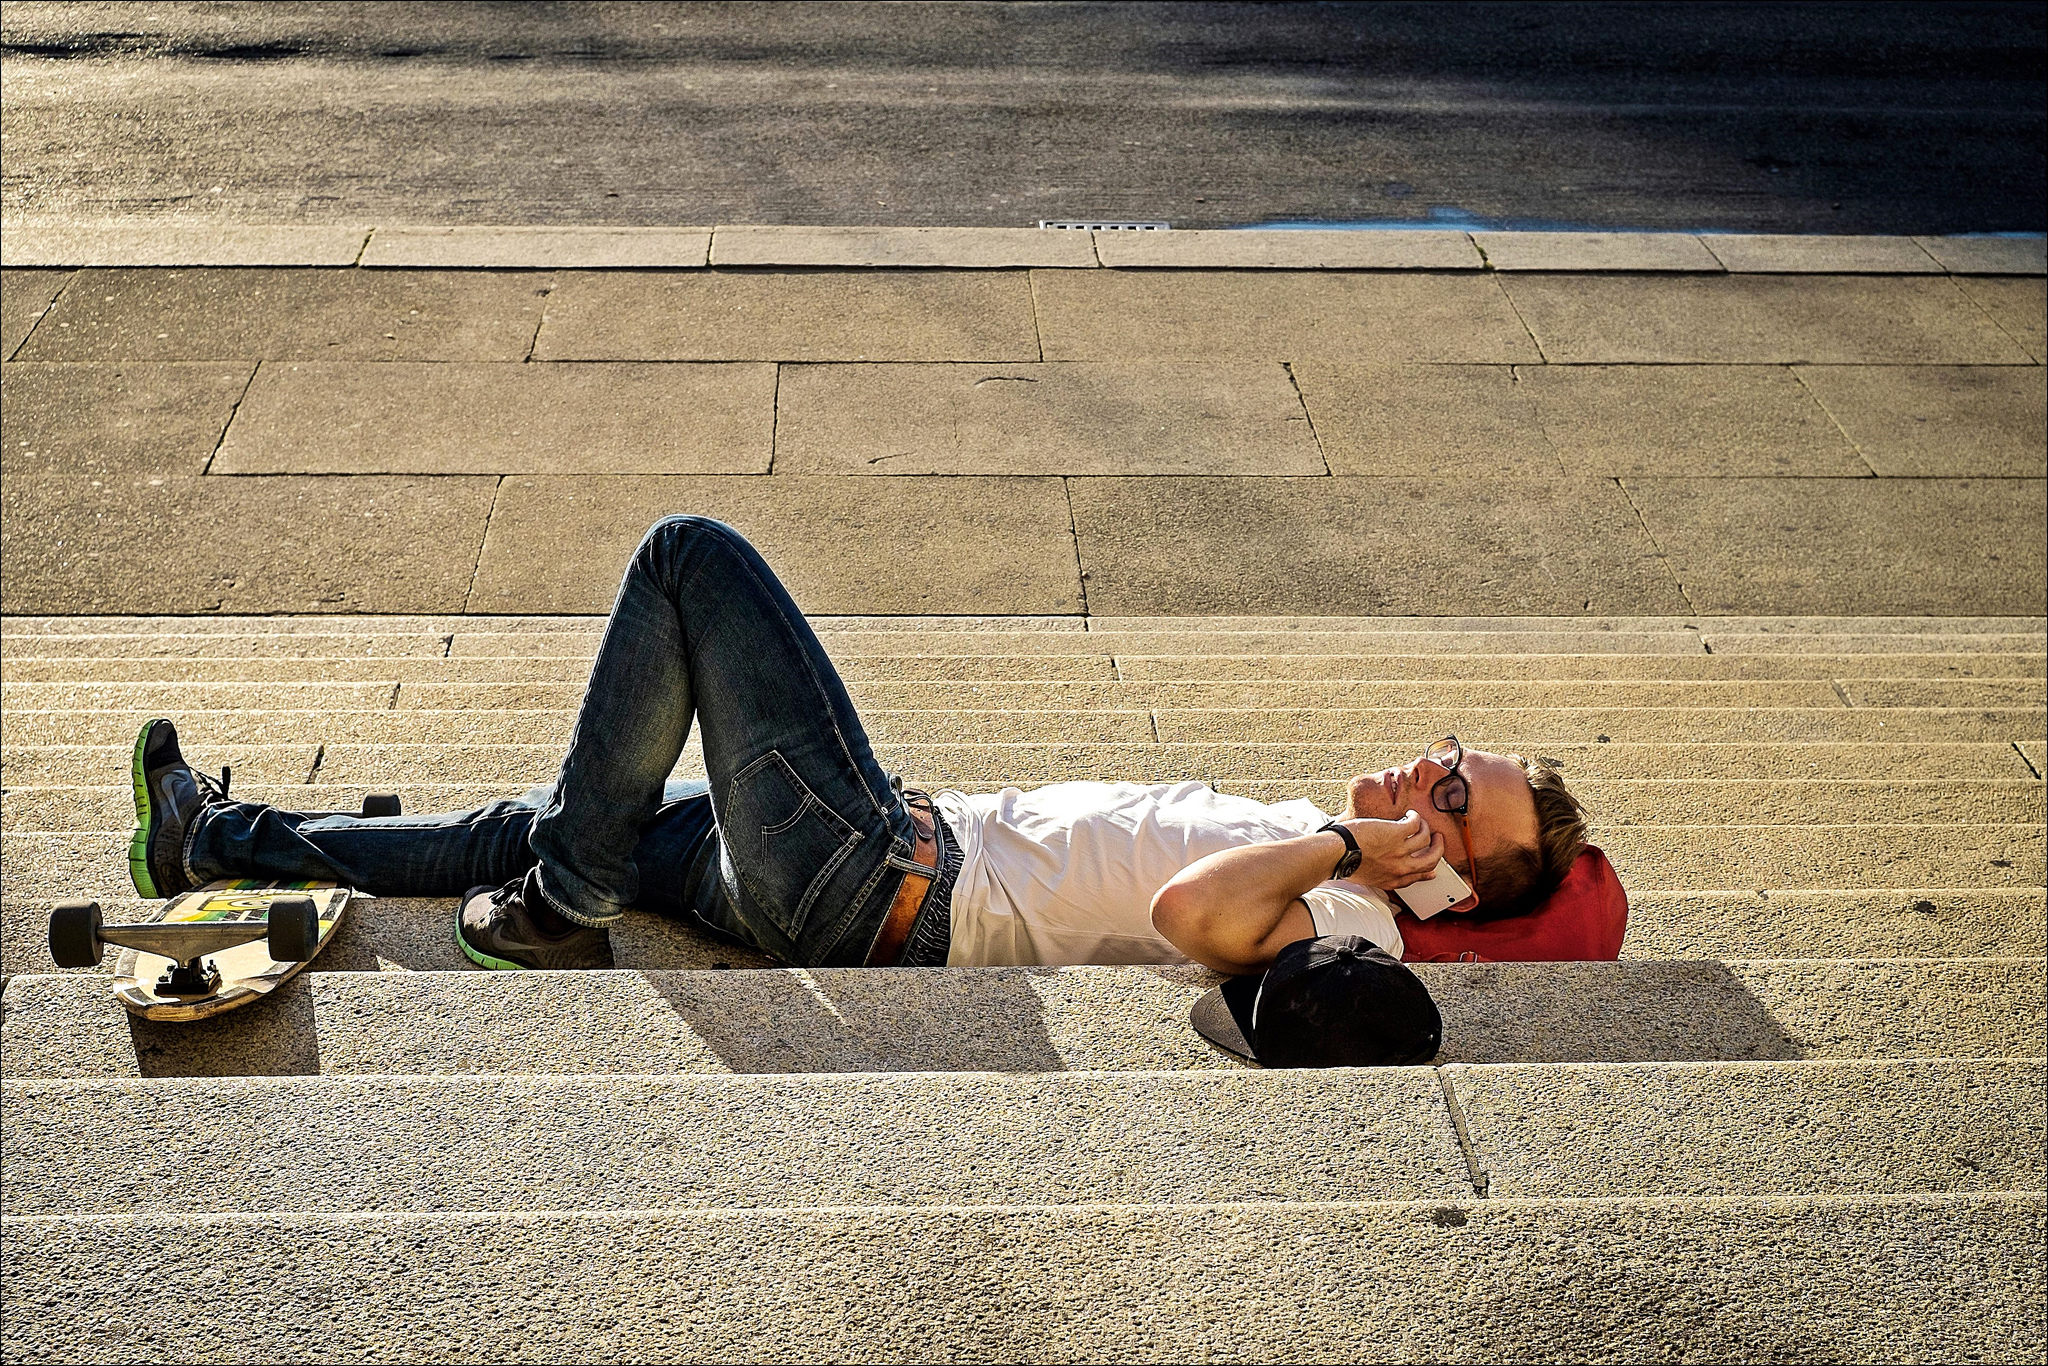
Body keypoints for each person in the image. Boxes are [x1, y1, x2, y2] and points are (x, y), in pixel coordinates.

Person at [126, 516, 1591, 988]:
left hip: (879, 881)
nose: (1429, 764)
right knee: (547, 812)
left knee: (688, 559)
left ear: (1451, 878)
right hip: (865, 850)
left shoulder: (1352, 924)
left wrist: (1349, 851)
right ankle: (219, 839)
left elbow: (1185, 919)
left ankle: (568, 906)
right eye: (1456, 749)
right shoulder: (1331, 860)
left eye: (1457, 796)